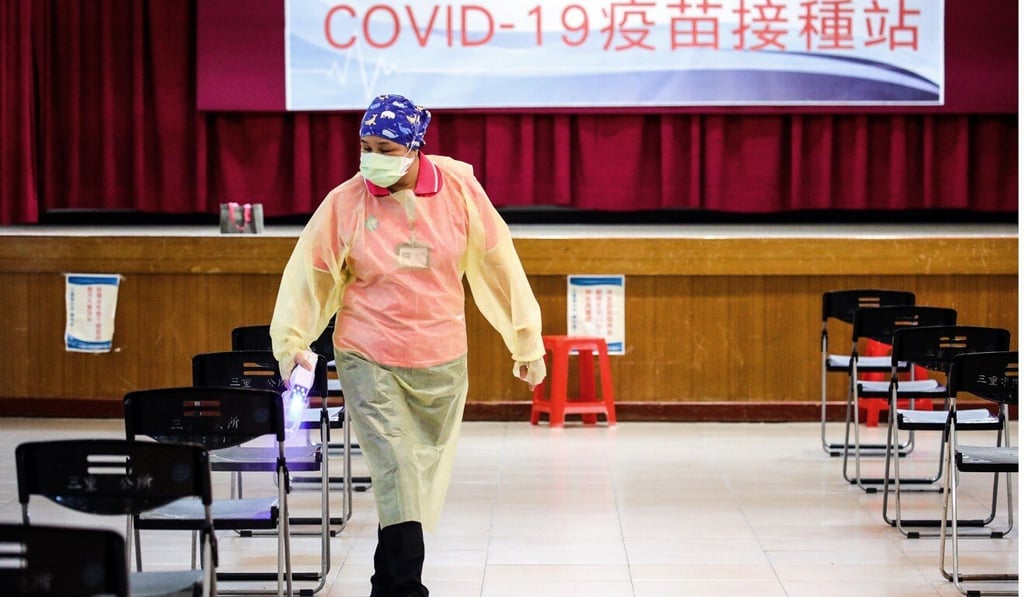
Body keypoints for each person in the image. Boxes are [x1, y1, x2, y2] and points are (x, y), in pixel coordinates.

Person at [270, 93, 546, 596]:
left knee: (407, 481)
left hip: (440, 360)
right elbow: (308, 277)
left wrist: (525, 341)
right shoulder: (346, 202)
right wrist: (292, 344)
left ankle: (385, 582)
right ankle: (405, 588)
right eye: (365, 145)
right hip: (368, 355)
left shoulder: (459, 188)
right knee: (396, 466)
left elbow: (498, 266)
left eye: (386, 147)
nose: (372, 157)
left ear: (416, 149)